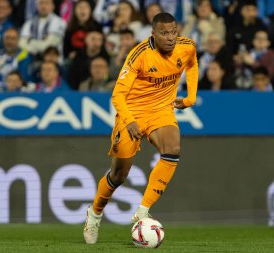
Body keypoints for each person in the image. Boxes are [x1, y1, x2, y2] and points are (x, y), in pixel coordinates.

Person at [83, 12, 198, 244]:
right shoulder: (139, 54)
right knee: (118, 175)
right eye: (164, 33)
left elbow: (192, 64)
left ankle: (143, 210)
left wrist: (190, 98)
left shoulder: (187, 47)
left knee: (172, 147)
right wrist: (129, 120)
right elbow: (118, 94)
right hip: (132, 113)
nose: (170, 38)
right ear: (153, 33)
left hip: (161, 110)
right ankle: (94, 213)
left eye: (174, 32)